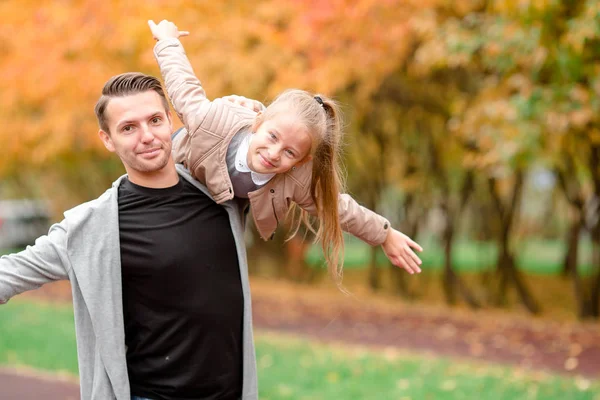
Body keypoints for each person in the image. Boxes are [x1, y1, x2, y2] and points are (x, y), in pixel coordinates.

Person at [0, 72, 259, 400]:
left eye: (154, 120)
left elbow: (285, 149)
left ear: (170, 120)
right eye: (128, 128)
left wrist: (251, 115)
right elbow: (10, 273)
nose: (147, 136)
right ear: (108, 139)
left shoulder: (219, 188)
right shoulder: (92, 227)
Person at [147, 20, 424, 285]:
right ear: (259, 123)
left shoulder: (296, 179)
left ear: (302, 161)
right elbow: (184, 87)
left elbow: (336, 207)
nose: (274, 153)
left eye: (290, 152)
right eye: (272, 136)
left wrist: (385, 235)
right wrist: (168, 41)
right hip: (182, 169)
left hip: (219, 205)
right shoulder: (212, 121)